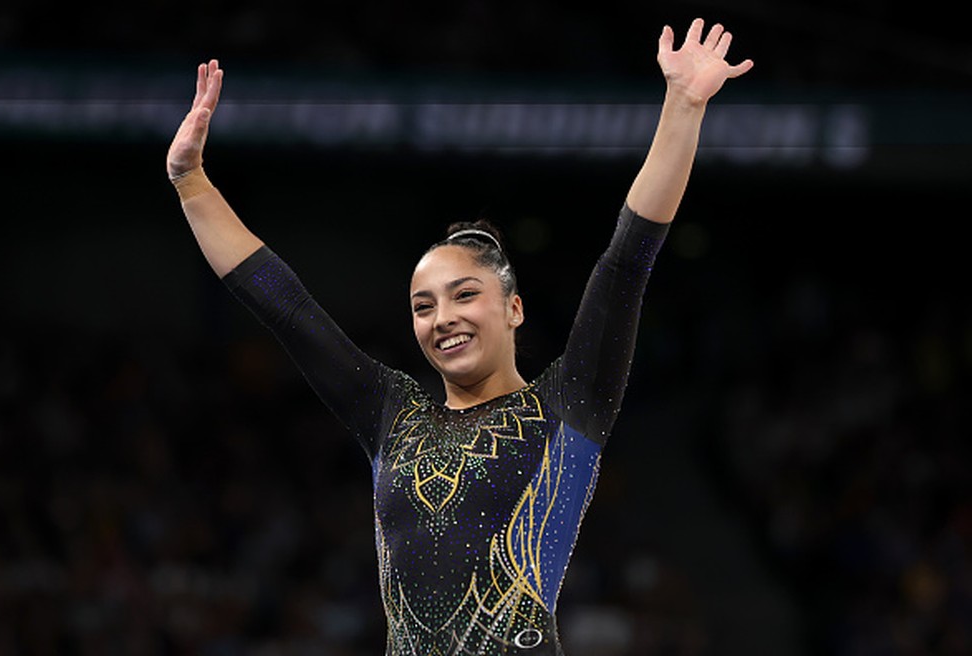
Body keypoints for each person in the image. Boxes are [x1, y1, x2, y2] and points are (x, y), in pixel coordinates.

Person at [166, 18, 752, 655]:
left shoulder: (569, 405)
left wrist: (684, 106)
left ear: (514, 309)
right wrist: (190, 181)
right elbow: (285, 308)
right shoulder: (390, 411)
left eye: (464, 295)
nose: (442, 316)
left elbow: (626, 259)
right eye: (423, 305)